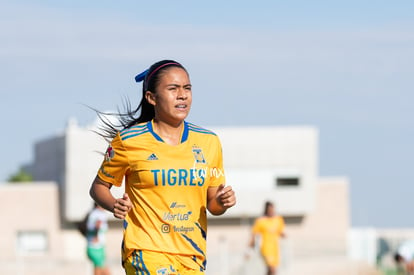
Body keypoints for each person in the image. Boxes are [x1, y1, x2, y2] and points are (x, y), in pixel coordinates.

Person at [89, 59, 236, 275]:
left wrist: (223, 202)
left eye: (187, 88)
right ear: (151, 98)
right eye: (173, 89)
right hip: (146, 250)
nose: (182, 95)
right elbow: (98, 187)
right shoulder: (129, 141)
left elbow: (212, 205)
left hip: (191, 254)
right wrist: (114, 205)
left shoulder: (209, 142)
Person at [248, 201, 286, 275]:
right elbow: (253, 235)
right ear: (266, 210)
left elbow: (281, 232)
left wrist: (284, 236)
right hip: (265, 248)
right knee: (272, 269)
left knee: (270, 270)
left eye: (272, 209)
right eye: (269, 209)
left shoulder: (278, 220)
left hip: (275, 249)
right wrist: (249, 249)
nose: (271, 211)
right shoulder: (261, 221)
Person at [86, 203, 111, 275]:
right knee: (101, 268)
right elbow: (98, 224)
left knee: (99, 267)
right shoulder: (99, 213)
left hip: (93, 245)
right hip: (97, 246)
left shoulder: (92, 213)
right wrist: (96, 236)